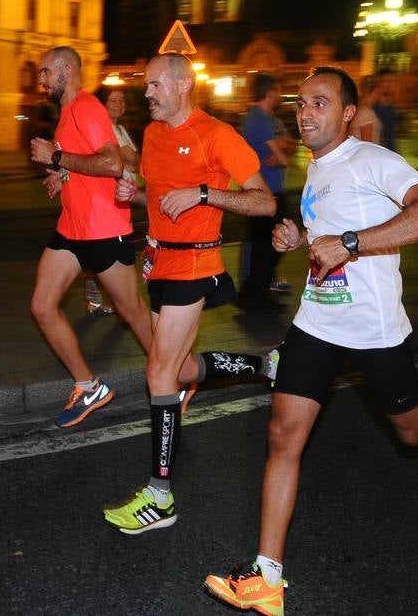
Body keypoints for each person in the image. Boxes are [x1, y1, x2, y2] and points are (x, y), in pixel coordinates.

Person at [204, 67, 418, 614]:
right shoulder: (317, 169)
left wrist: (351, 242)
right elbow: (327, 239)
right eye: (303, 103)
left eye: (320, 103)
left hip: (374, 331)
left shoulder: (374, 160)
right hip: (317, 324)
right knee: (282, 435)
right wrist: (298, 237)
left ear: (348, 113)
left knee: (415, 434)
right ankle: (267, 575)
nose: (306, 112)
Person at [104, 54, 279, 535]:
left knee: (158, 370)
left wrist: (205, 194)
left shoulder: (218, 135)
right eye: (146, 86)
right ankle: (267, 366)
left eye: (155, 85)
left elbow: (264, 201)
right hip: (159, 262)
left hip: (196, 262)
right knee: (178, 369)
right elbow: (156, 195)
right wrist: (130, 194)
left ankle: (159, 498)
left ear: (183, 85)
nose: (147, 93)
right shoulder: (155, 135)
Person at [27, 47, 159, 428]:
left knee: (132, 312)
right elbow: (84, 162)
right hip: (72, 228)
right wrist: (62, 174)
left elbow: (112, 162)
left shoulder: (86, 107)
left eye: (47, 71)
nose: (42, 79)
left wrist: (56, 159)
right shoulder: (67, 113)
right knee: (42, 306)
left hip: (103, 229)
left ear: (68, 70)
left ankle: (176, 377)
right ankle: (88, 386)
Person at [82, 86, 140, 318]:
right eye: (113, 100)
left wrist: (133, 159)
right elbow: (129, 158)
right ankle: (115, 302)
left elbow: (135, 160)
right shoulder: (104, 129)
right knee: (108, 251)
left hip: (121, 197)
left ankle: (96, 298)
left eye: (122, 100)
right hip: (108, 198)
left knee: (101, 252)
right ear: (102, 105)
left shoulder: (120, 129)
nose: (119, 104)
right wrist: (132, 158)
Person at [238, 72, 292, 316]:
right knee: (271, 247)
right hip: (266, 194)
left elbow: (280, 151)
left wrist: (277, 155)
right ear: (271, 93)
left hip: (262, 192)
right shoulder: (260, 119)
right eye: (278, 92)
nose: (279, 96)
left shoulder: (255, 118)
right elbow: (281, 157)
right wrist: (279, 156)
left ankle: (253, 295)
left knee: (265, 247)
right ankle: (254, 295)